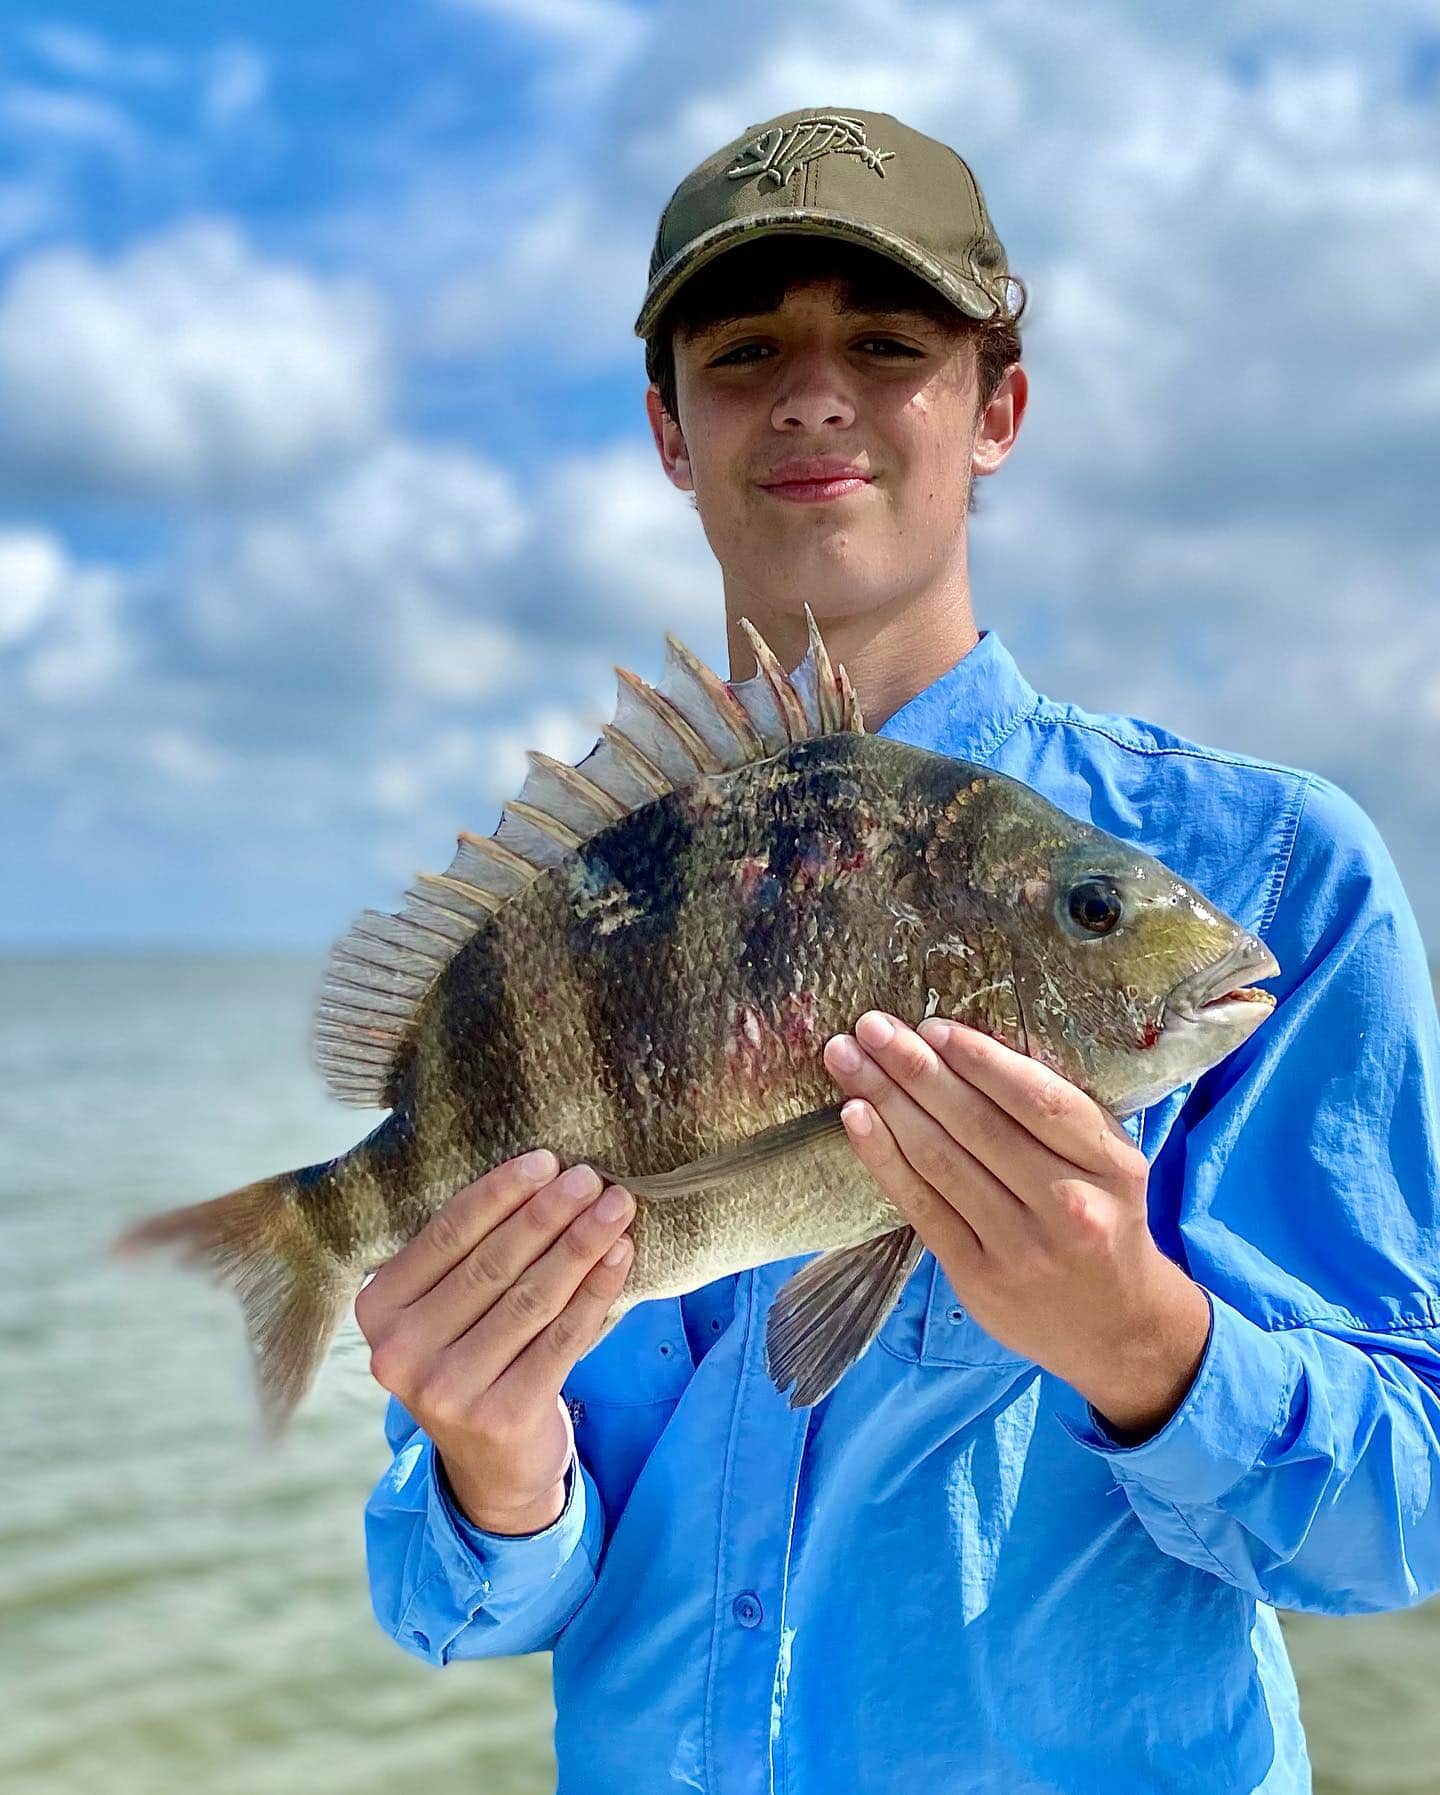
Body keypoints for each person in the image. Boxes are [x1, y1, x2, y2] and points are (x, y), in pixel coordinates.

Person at [359, 107, 1440, 1793]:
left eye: (886, 341)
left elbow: (1400, 1520)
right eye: (742, 353)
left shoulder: (1270, 878)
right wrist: (493, 1455)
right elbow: (450, 1599)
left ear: (998, 406)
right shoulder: (597, 909)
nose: (811, 396)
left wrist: (1142, 1338)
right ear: (668, 427)